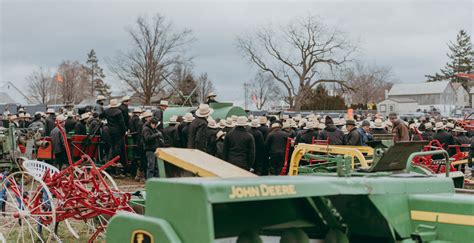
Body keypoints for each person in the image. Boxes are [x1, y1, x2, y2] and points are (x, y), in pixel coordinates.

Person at [100, 99, 127, 169]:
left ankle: (111, 160)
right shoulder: (119, 112)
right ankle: (115, 161)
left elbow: (100, 116)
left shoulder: (106, 111)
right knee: (118, 146)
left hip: (110, 131)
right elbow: (122, 123)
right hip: (118, 131)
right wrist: (125, 131)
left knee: (112, 146)